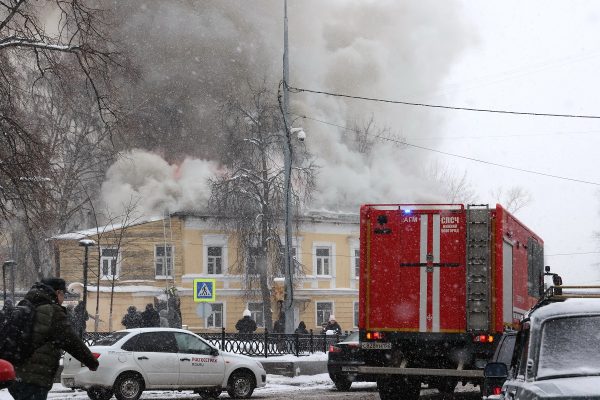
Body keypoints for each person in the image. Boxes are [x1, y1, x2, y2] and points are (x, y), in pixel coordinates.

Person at [8, 278, 98, 400]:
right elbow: (70, 340)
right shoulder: (53, 311)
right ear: (57, 293)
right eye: (64, 295)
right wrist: (91, 362)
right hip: (35, 378)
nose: (63, 299)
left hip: (16, 374)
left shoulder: (25, 305)